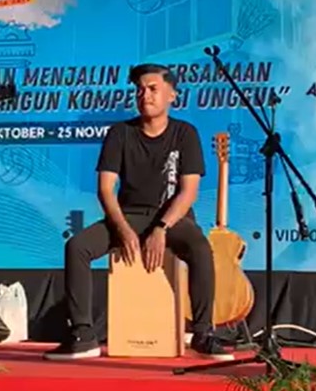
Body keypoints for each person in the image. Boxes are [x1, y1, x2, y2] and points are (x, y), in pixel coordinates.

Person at [44, 63, 231, 361]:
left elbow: (188, 192)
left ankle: (203, 333)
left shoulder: (185, 133)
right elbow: (106, 189)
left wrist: (161, 228)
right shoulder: (120, 133)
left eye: (153, 89)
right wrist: (122, 229)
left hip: (171, 217)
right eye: (140, 90)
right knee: (77, 246)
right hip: (129, 215)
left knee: (200, 248)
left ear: (172, 95)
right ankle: (83, 334)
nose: (145, 95)